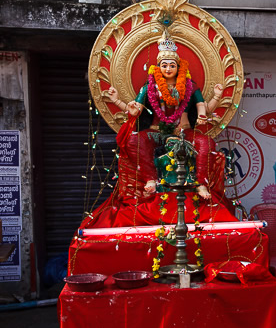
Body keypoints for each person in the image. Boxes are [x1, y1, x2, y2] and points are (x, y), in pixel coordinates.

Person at [83, 33, 232, 229]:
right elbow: (135, 109)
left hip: (183, 132)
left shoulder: (189, 86)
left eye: (172, 65)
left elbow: (203, 107)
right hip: (156, 132)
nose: (168, 68)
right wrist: (116, 100)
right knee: (134, 140)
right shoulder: (150, 87)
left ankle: (201, 183)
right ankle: (150, 179)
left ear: (178, 67)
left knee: (206, 143)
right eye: (164, 65)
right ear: (158, 67)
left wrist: (216, 98)